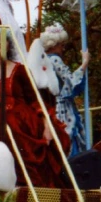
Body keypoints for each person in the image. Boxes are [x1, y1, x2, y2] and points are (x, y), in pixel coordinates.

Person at [0, 28, 69, 187]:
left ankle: (28, 182)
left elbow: (35, 99)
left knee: (19, 126)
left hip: (22, 114)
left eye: (5, 40)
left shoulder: (21, 70)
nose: (2, 43)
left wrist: (46, 124)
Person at [39, 24, 90, 157]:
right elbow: (71, 81)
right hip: (62, 107)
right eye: (61, 44)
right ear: (54, 45)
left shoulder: (42, 60)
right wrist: (84, 64)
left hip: (51, 105)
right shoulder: (55, 59)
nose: (63, 48)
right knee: (70, 138)